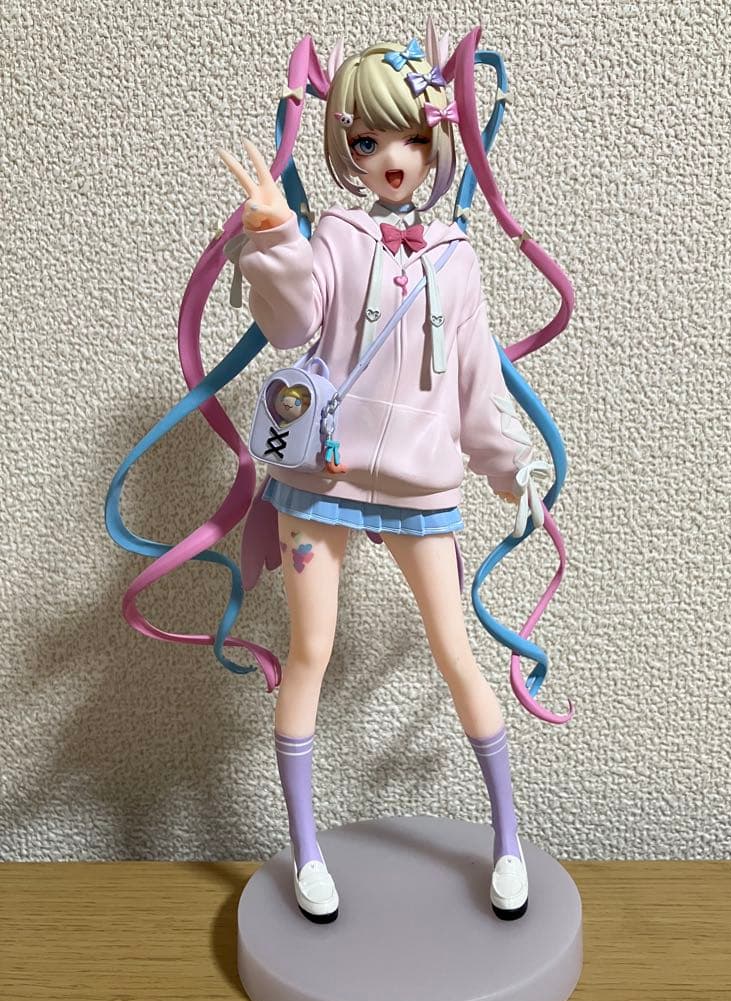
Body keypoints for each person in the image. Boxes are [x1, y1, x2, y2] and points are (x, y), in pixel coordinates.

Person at [108, 24, 574, 927]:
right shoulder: (338, 235)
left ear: (439, 138)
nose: (391, 158)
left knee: (456, 654)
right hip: (318, 483)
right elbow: (292, 325)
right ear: (345, 148)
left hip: (421, 490)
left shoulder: (457, 258)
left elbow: (476, 379)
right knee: (311, 653)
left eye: (410, 136)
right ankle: (308, 850)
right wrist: (275, 235)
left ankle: (509, 840)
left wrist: (508, 465)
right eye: (366, 140)